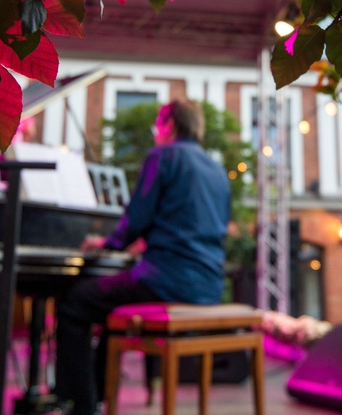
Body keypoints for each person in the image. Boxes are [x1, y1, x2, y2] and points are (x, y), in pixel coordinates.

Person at [53, 99, 232, 415]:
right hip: (208, 286)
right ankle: (94, 398)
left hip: (168, 280)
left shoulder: (163, 156)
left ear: (170, 125)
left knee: (74, 303)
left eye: (157, 126)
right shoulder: (216, 168)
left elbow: (136, 219)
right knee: (110, 307)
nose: (155, 134)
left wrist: (108, 242)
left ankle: (80, 404)